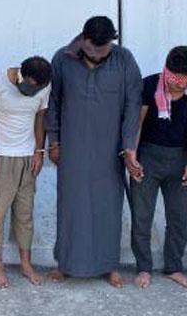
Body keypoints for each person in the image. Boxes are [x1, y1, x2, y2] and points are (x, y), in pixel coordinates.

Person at [45, 16, 142, 288]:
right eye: (93, 49)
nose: (98, 55)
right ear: (83, 39)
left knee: (108, 206)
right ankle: (65, 263)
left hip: (110, 150)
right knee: (70, 205)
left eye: (104, 49)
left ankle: (109, 265)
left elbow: (133, 104)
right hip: (72, 149)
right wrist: (54, 141)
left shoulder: (124, 60)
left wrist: (129, 147)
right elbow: (53, 102)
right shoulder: (62, 59)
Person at [128, 46, 187, 290]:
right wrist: (131, 156)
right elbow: (136, 122)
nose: (179, 85)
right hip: (147, 156)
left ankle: (173, 267)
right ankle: (143, 267)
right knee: (142, 216)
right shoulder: (149, 85)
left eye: (185, 80)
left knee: (180, 219)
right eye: (175, 79)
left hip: (180, 158)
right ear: (167, 70)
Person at [0, 56, 51, 288]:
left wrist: (39, 151)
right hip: (0, 157)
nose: (33, 91)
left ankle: (26, 264)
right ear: (22, 74)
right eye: (30, 86)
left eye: (38, 88)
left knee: (25, 215)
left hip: (28, 158)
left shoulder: (44, 85)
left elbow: (40, 117)